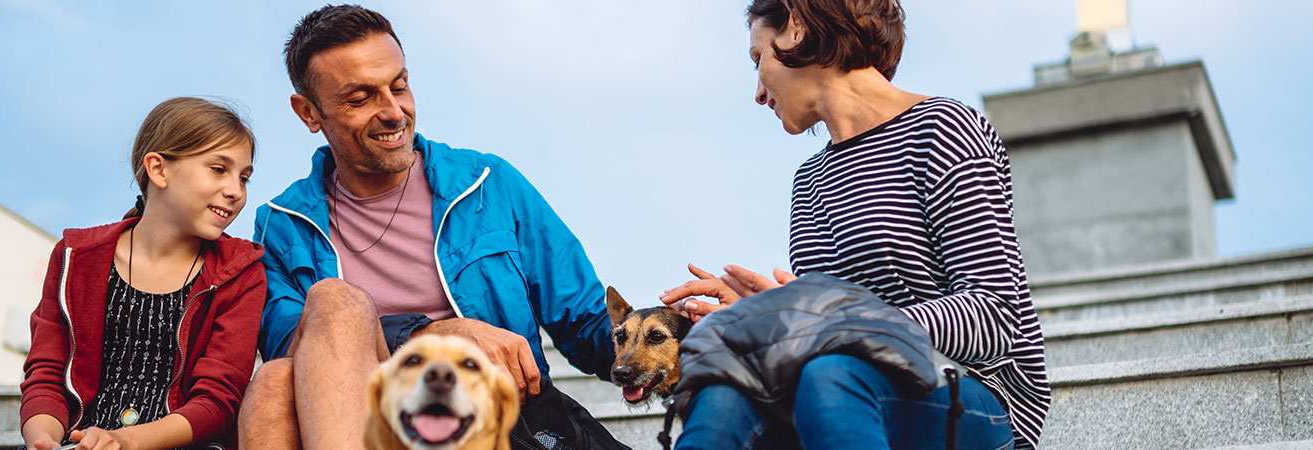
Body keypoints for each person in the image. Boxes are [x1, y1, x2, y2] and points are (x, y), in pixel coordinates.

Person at [659, 0, 1054, 448]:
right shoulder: (809, 181)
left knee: (832, 375)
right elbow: (828, 326)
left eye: (758, 60)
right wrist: (776, 316)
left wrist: (834, 324)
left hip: (972, 394)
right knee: (725, 393)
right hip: (844, 385)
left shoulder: (943, 129)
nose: (758, 92)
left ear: (796, 27)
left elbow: (994, 314)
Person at [237, 5, 622, 449]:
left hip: (510, 421)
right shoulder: (283, 226)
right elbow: (298, 356)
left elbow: (590, 329)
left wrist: (691, 336)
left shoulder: (488, 184)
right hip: (378, 424)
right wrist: (431, 336)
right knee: (300, 346)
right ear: (309, 113)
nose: (393, 112)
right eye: (360, 99)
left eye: (399, 86)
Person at [20, 97, 266, 450]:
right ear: (158, 169)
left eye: (244, 177)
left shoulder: (240, 272)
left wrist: (123, 442)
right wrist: (43, 440)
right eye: (218, 169)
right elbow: (46, 376)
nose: (235, 191)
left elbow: (218, 402)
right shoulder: (76, 257)